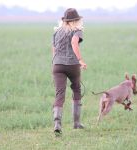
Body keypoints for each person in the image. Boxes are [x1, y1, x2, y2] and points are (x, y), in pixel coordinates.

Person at [51, 8, 87, 136]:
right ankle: (76, 123)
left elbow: (54, 50)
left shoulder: (56, 32)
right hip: (72, 65)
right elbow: (74, 42)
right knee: (76, 89)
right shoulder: (77, 31)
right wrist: (81, 60)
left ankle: (57, 124)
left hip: (57, 65)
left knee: (59, 94)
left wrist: (55, 63)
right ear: (75, 21)